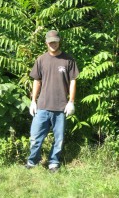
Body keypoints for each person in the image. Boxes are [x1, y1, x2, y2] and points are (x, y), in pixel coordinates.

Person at [26, 30, 79, 172]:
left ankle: (53, 163)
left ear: (59, 41)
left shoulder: (69, 60)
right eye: (50, 42)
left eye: (55, 41)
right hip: (42, 106)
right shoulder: (41, 59)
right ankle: (32, 162)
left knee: (59, 139)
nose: (53, 44)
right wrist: (33, 101)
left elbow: (73, 81)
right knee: (35, 137)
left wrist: (71, 101)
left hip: (61, 106)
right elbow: (36, 81)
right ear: (46, 43)